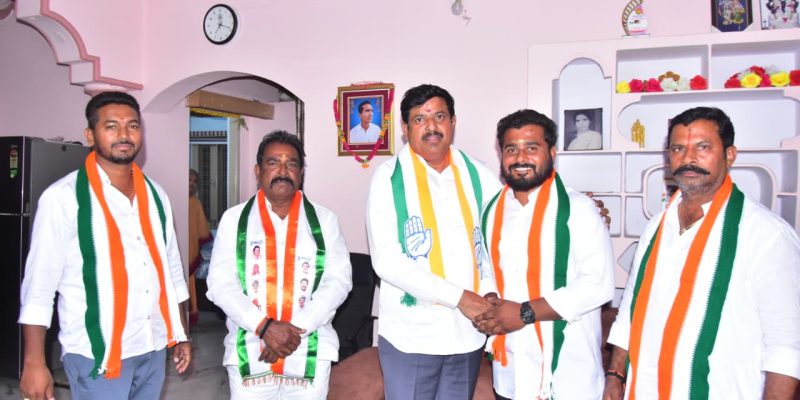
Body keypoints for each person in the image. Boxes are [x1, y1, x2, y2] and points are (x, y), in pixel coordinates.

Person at [604, 107, 800, 399]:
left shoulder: (766, 234)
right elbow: (629, 310)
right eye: (678, 149)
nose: (688, 158)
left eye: (703, 147)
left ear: (730, 155)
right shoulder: (657, 226)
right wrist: (615, 374)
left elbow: (785, 347)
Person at [18, 91, 191, 400]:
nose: (124, 135)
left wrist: (181, 333)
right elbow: (39, 287)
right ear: (90, 135)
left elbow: (172, 272)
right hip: (96, 355)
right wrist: (33, 362)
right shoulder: (63, 198)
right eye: (111, 126)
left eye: (132, 126)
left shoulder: (156, 196)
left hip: (152, 345)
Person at [366, 84, 500, 399]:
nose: (431, 126)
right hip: (412, 336)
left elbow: (500, 235)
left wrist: (490, 291)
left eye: (439, 116)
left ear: (453, 122)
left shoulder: (478, 174)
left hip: (467, 333)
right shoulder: (388, 179)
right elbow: (387, 261)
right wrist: (461, 298)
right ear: (405, 128)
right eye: (419, 119)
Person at [474, 109, 615, 399]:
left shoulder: (579, 209)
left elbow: (598, 285)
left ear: (552, 152)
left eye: (532, 147)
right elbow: (486, 268)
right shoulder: (491, 210)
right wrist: (490, 301)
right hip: (510, 373)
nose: (520, 157)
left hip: (568, 377)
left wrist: (524, 313)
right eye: (511, 149)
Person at [207, 130, 352, 399]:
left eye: (291, 164)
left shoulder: (325, 221)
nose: (283, 171)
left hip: (309, 348)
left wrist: (292, 331)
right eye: (273, 162)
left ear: (301, 173)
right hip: (251, 348)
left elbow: (339, 281)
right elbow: (220, 284)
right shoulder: (234, 220)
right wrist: (265, 328)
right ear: (258, 171)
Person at [189, 168, 213, 326]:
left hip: (190, 251)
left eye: (195, 182)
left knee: (190, 287)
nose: (191, 184)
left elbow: (202, 229)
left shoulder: (195, 203)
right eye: (189, 180)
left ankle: (189, 319)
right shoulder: (172, 198)